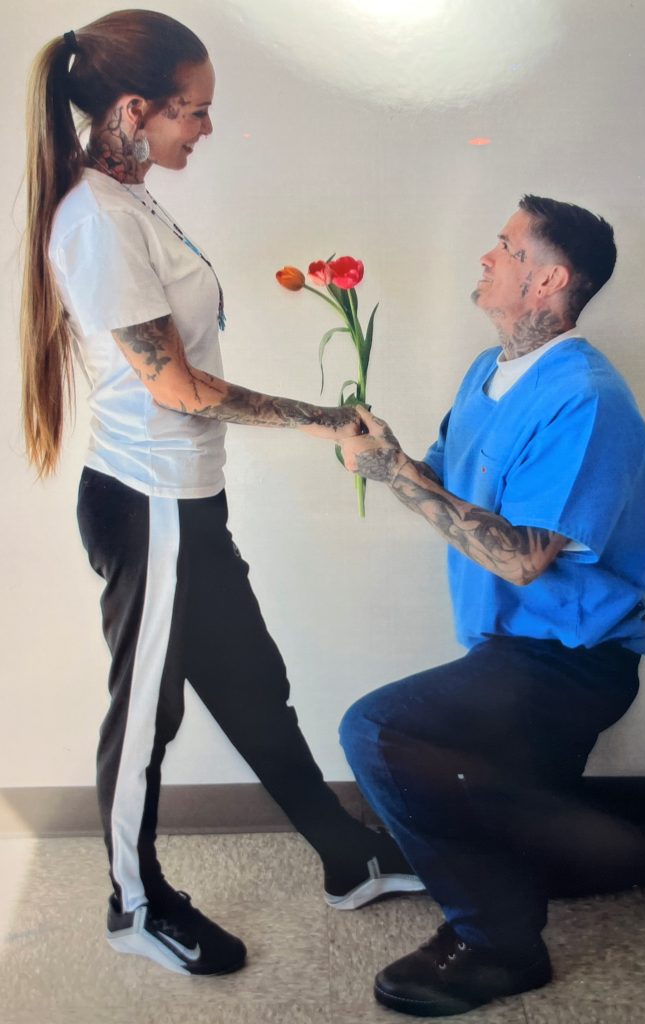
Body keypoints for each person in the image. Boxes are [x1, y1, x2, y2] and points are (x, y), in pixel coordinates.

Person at [20, 10, 423, 980]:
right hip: (148, 504)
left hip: (186, 499)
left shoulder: (130, 198)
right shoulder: (97, 219)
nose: (205, 127)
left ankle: (347, 855)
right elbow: (176, 386)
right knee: (145, 716)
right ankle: (133, 903)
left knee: (250, 682)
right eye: (193, 111)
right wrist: (325, 420)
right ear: (135, 110)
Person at [338, 195, 645, 1016]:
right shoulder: (488, 373)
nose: (487, 257)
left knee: (378, 731)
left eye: (507, 247)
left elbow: (521, 558)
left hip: (572, 661)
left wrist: (395, 477)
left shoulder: (586, 396)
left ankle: (497, 945)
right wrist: (380, 452)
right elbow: (441, 484)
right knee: (527, 832)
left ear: (549, 279)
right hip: (506, 649)